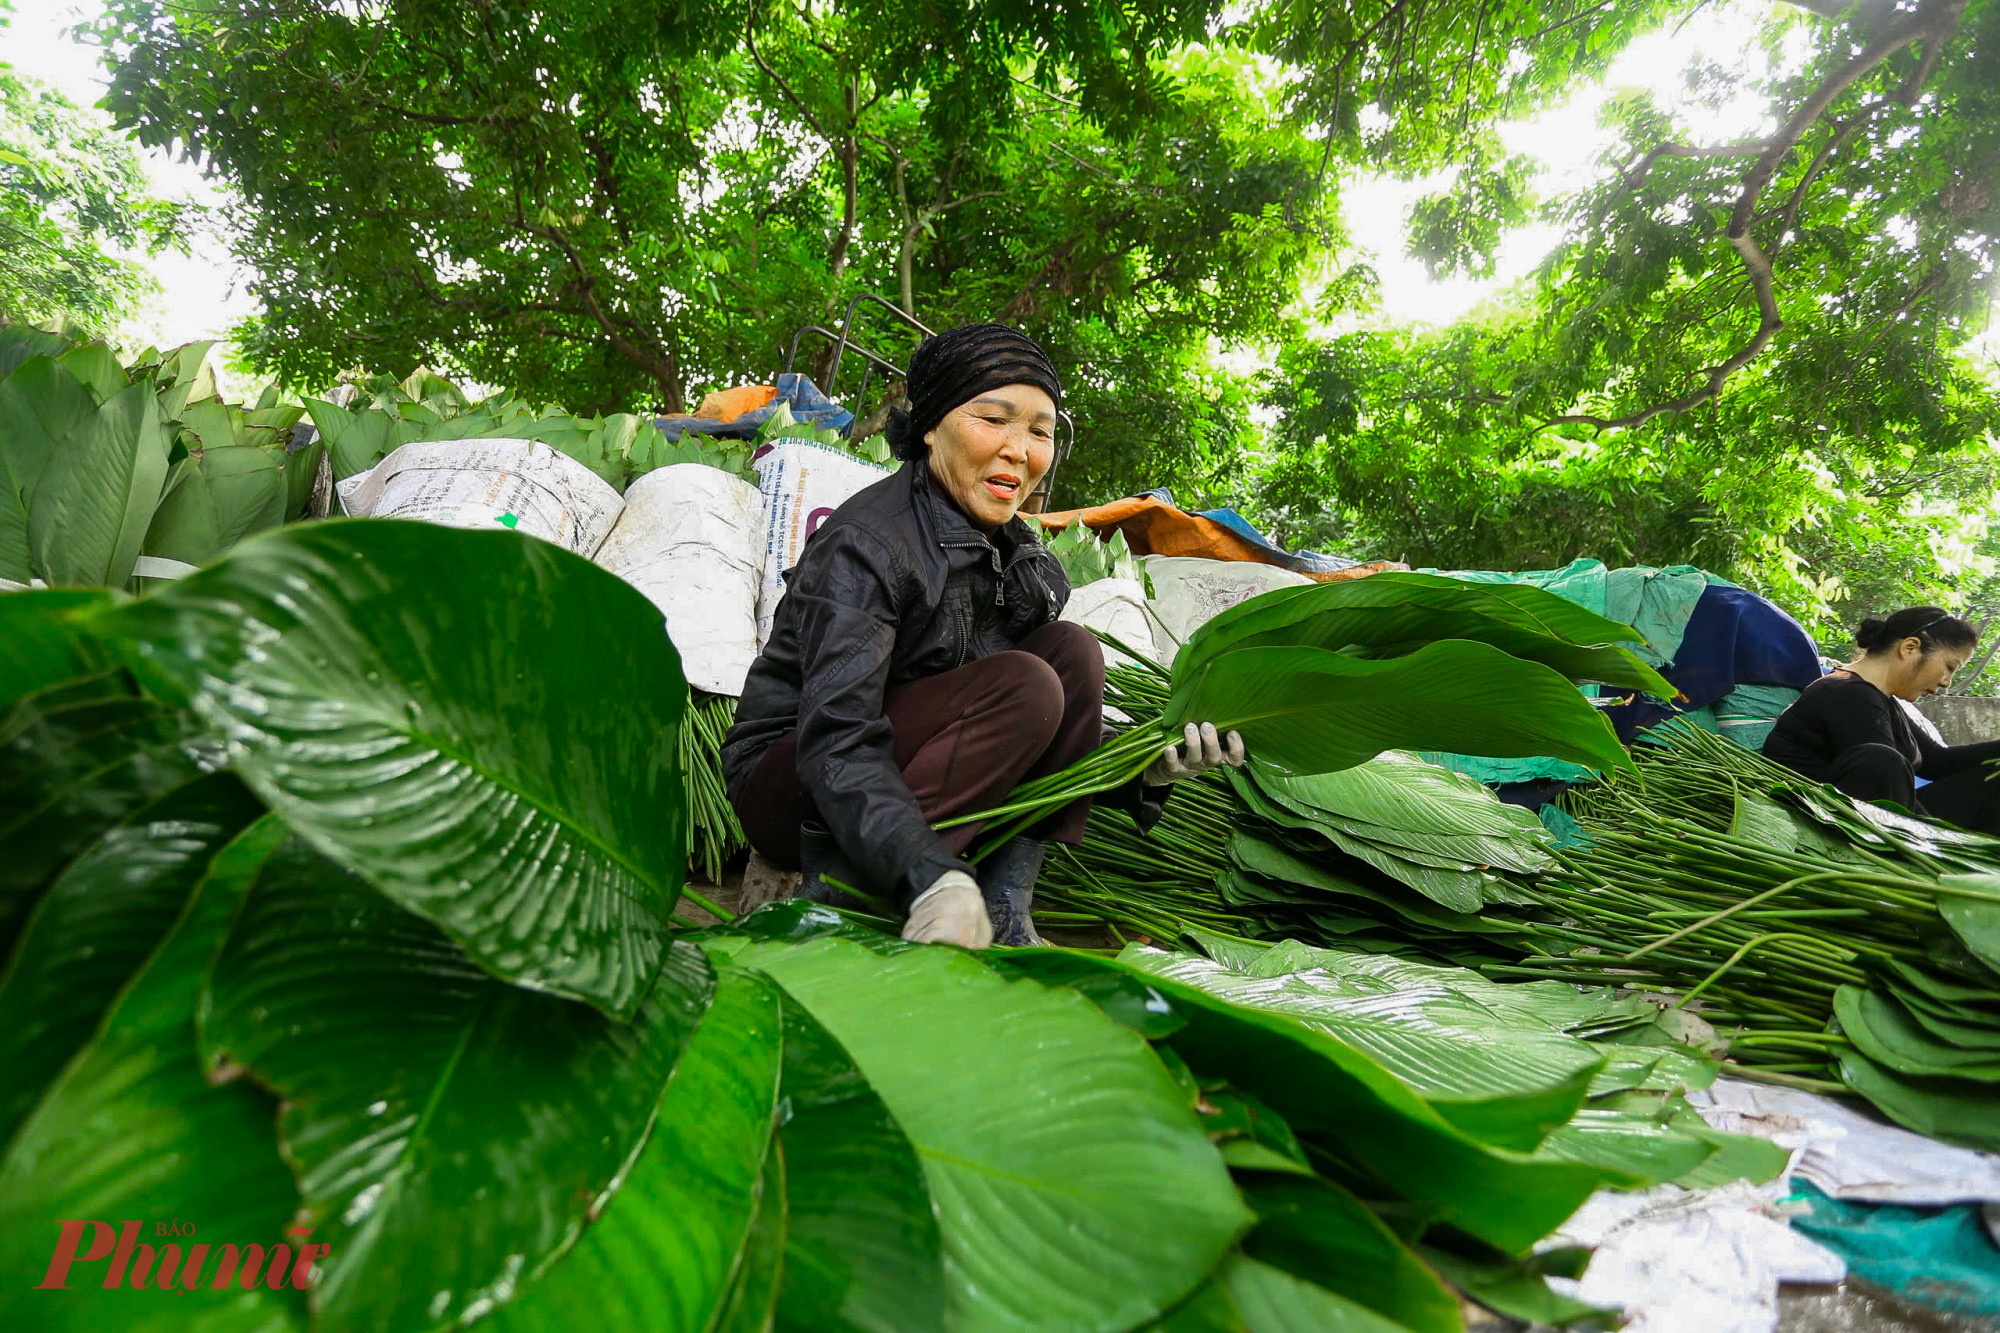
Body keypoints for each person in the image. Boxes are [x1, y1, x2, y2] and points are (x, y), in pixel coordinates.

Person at [722, 323, 1245, 949]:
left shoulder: (1016, 552)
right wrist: (927, 872)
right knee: (1027, 684)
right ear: (931, 426)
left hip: (901, 762)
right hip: (794, 785)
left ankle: (1004, 905)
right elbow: (837, 739)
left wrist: (1143, 766)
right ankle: (848, 897)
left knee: (1072, 654)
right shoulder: (867, 545)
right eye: (993, 420)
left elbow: (1030, 725)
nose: (1018, 451)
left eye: (1039, 432)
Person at [1763, 605, 2000, 831]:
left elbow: (1938, 761)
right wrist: (1942, 841)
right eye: (1949, 666)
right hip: (1825, 825)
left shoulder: (1879, 698)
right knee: (1883, 760)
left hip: (1889, 820)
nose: (1947, 682)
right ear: (1910, 648)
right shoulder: (1846, 695)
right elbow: (1881, 780)